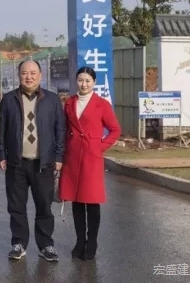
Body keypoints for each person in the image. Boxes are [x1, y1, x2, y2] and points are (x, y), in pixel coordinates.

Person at [0, 59, 65, 262]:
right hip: (16, 162)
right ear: (19, 76)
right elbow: (1, 128)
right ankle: (19, 243)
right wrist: (1, 154)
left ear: (40, 75)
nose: (29, 77)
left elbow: (60, 129)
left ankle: (46, 245)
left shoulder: (52, 100)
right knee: (16, 205)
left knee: (44, 206)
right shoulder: (9, 99)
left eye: (33, 73)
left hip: (43, 162)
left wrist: (58, 156)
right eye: (24, 73)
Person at [59, 66, 122, 260]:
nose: (84, 84)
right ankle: (80, 241)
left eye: (87, 81)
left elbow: (115, 130)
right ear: (76, 81)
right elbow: (64, 128)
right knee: (76, 200)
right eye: (80, 80)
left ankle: (92, 242)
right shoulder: (70, 103)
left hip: (92, 157)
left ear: (94, 82)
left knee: (92, 200)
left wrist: (100, 146)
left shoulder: (101, 104)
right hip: (72, 156)